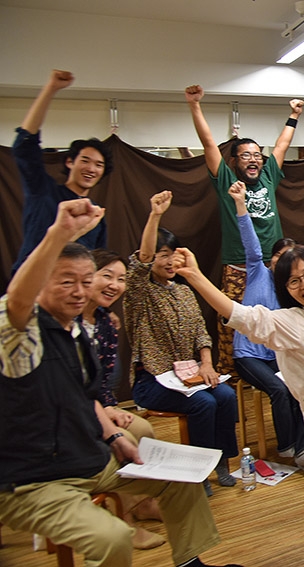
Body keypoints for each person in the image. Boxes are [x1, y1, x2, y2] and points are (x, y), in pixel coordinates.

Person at [0, 199, 239, 567]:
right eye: (67, 281)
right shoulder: (25, 335)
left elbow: (84, 397)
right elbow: (16, 302)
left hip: (90, 460)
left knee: (183, 480)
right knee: (112, 538)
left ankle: (191, 562)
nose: (80, 290)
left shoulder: (80, 333)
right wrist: (58, 233)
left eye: (85, 281)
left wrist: (113, 437)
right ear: (42, 282)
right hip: (36, 480)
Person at [170, 243, 304, 478]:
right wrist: (196, 277)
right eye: (294, 281)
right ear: (286, 290)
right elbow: (241, 316)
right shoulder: (289, 321)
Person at [124, 191, 239, 496]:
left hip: (190, 377)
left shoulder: (184, 291)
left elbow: (202, 332)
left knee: (225, 395)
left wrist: (207, 364)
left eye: (173, 253)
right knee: (202, 404)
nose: (170, 259)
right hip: (153, 381)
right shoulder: (139, 292)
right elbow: (141, 261)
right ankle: (197, 470)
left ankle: (222, 462)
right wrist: (155, 215)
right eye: (163, 253)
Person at [184, 84, 303, 375]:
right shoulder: (225, 179)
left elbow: (282, 146)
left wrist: (294, 115)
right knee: (231, 319)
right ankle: (231, 372)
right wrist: (195, 105)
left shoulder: (268, 176)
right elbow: (209, 144)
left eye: (256, 155)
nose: (253, 159)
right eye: (246, 155)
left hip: (274, 268)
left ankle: (278, 369)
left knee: (280, 319)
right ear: (234, 161)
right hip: (239, 268)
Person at [229, 180, 304, 475]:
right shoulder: (258, 272)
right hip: (248, 355)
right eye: (281, 258)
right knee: (280, 390)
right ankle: (287, 447)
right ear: (272, 260)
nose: (286, 266)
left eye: (292, 262)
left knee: (298, 387)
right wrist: (241, 204)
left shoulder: (291, 291)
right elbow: (250, 242)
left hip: (274, 355)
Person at [80, 249, 164, 549]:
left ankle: (141, 503)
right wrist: (106, 413)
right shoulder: (68, 321)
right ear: (85, 277)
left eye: (120, 279)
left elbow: (102, 378)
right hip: (72, 414)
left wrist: (111, 405)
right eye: (107, 276)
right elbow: (75, 387)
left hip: (98, 405)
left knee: (144, 430)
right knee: (123, 440)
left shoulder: (105, 322)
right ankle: (124, 521)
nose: (115, 285)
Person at [11, 69, 111, 274]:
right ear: (69, 162)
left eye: (99, 165)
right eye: (85, 160)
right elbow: (24, 146)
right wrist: (51, 89)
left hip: (74, 294)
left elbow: (99, 260)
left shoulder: (96, 214)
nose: (91, 168)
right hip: (33, 283)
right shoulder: (44, 191)